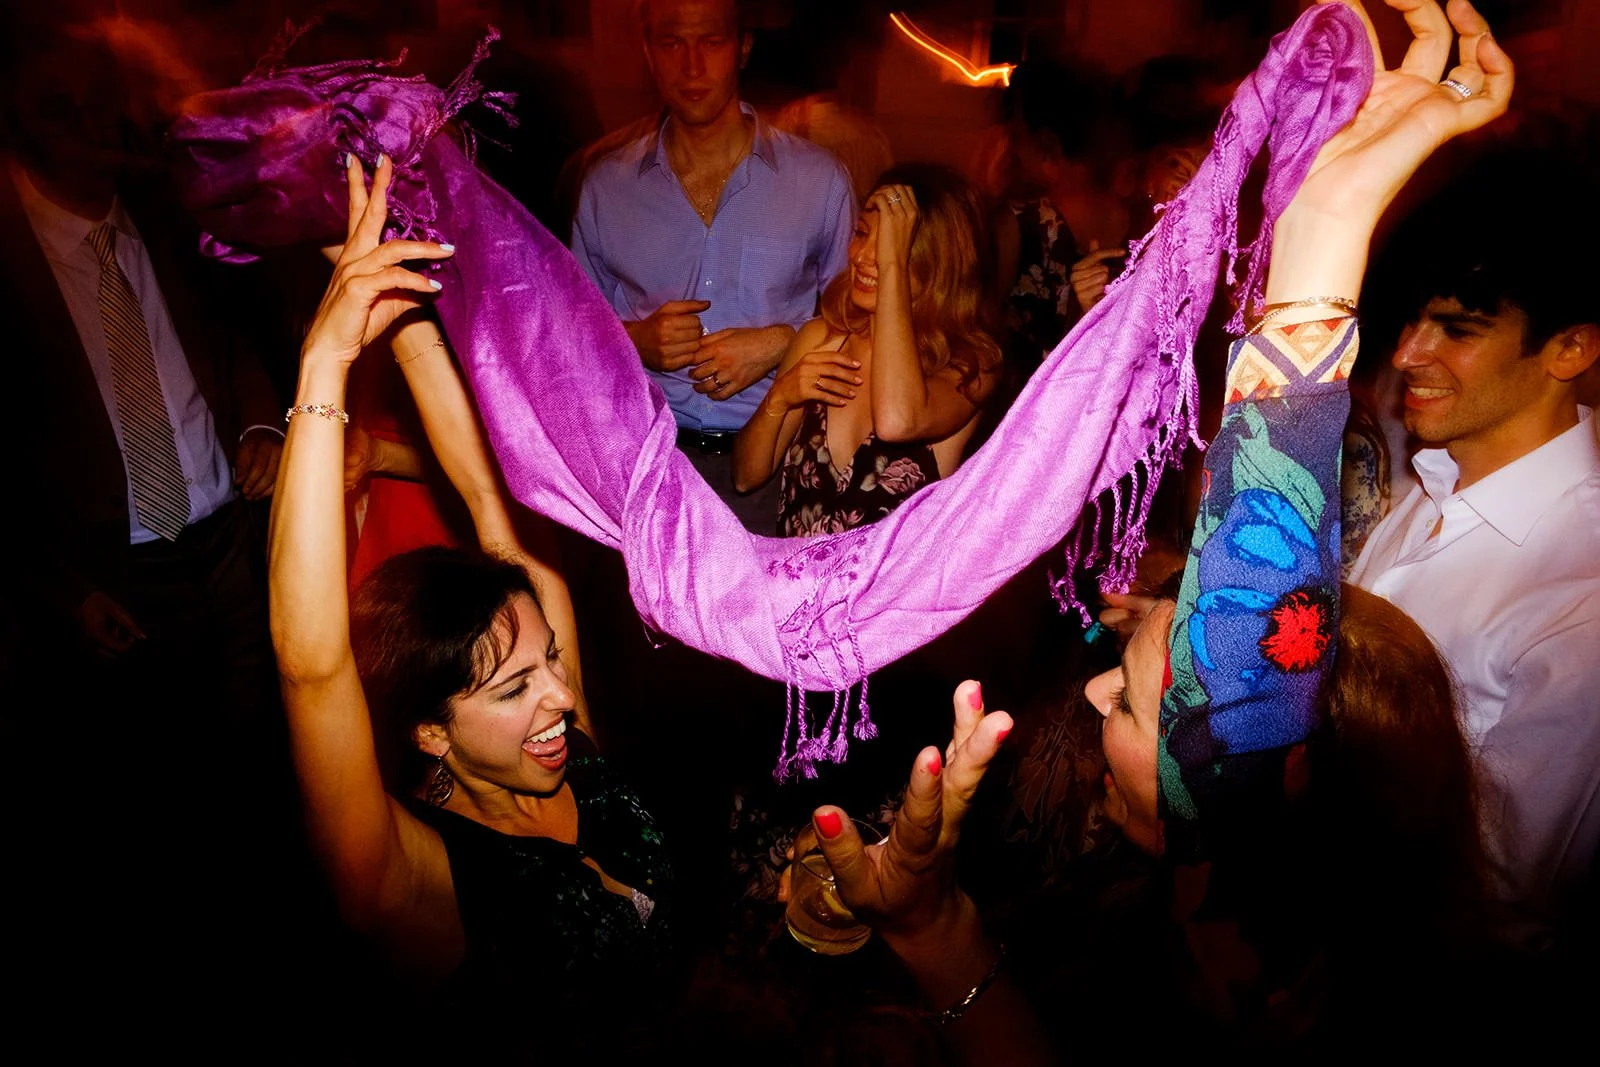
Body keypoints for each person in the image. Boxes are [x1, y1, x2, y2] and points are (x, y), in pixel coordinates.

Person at [790, 1, 1514, 1058]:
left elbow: (1252, 641)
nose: (1091, 694)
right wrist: (932, 924)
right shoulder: (1201, 894)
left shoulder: (1268, 983)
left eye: (1130, 699)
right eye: (1122, 677)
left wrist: (1322, 228)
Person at [269, 155, 673, 1043]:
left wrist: (405, 313)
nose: (562, 700)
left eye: (551, 663)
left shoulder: (563, 746)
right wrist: (328, 358)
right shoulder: (413, 879)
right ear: (429, 731)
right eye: (513, 688)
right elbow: (311, 665)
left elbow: (490, 503)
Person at [1348, 149, 1600, 937]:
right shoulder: (1438, 478)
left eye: (1456, 330)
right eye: (1414, 319)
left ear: (1570, 349)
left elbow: (1500, 893)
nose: (1406, 354)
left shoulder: (1580, 596)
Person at [570, 0, 855, 532]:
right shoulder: (606, 188)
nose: (693, 66)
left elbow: (858, 326)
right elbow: (570, 338)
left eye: (712, 42)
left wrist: (779, 343)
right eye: (673, 43)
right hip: (644, 469)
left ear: (743, 47)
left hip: (778, 468)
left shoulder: (818, 181)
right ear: (648, 54)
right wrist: (635, 340)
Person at [733, 164, 1003, 536]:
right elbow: (746, 478)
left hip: (895, 595)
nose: (861, 257)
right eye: (861, 233)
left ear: (940, 264)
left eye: (889, 246)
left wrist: (891, 263)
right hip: (796, 589)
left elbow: (898, 421)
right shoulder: (821, 338)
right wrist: (779, 398)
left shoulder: (970, 366)